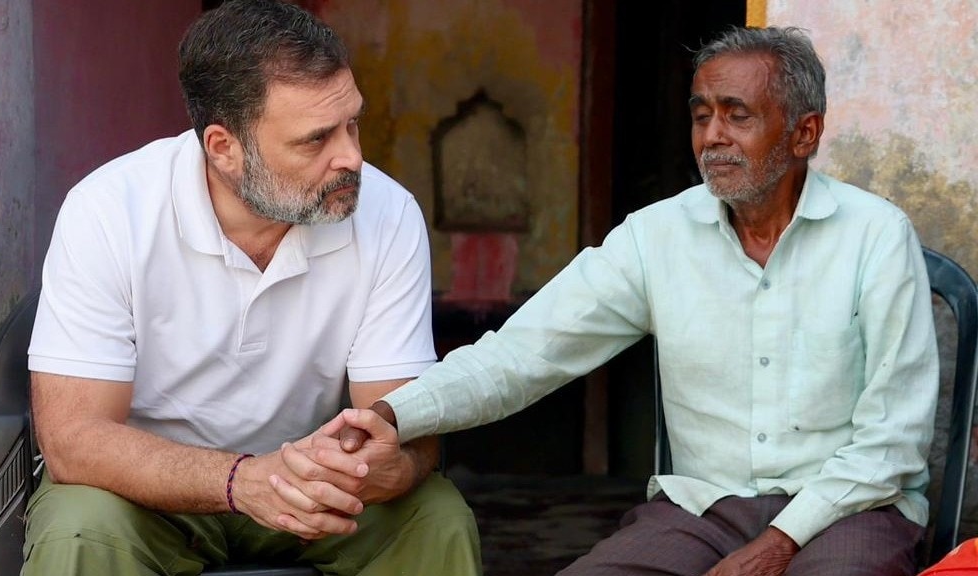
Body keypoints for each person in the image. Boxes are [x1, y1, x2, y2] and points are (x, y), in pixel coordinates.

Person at [336, 25, 939, 576]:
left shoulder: (876, 237)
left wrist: (778, 543)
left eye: (737, 116)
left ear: (804, 133)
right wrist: (394, 414)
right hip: (704, 510)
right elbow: (522, 355)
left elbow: (893, 442)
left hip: (849, 508)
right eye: (701, 116)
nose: (712, 138)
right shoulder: (656, 236)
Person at [24, 1, 481, 574]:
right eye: (316, 140)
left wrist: (399, 463)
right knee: (80, 527)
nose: (353, 158)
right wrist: (241, 481)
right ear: (224, 149)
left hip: (320, 488)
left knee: (434, 518)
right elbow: (73, 439)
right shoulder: (109, 210)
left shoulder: (387, 214)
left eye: (353, 123)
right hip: (148, 497)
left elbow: (405, 425)